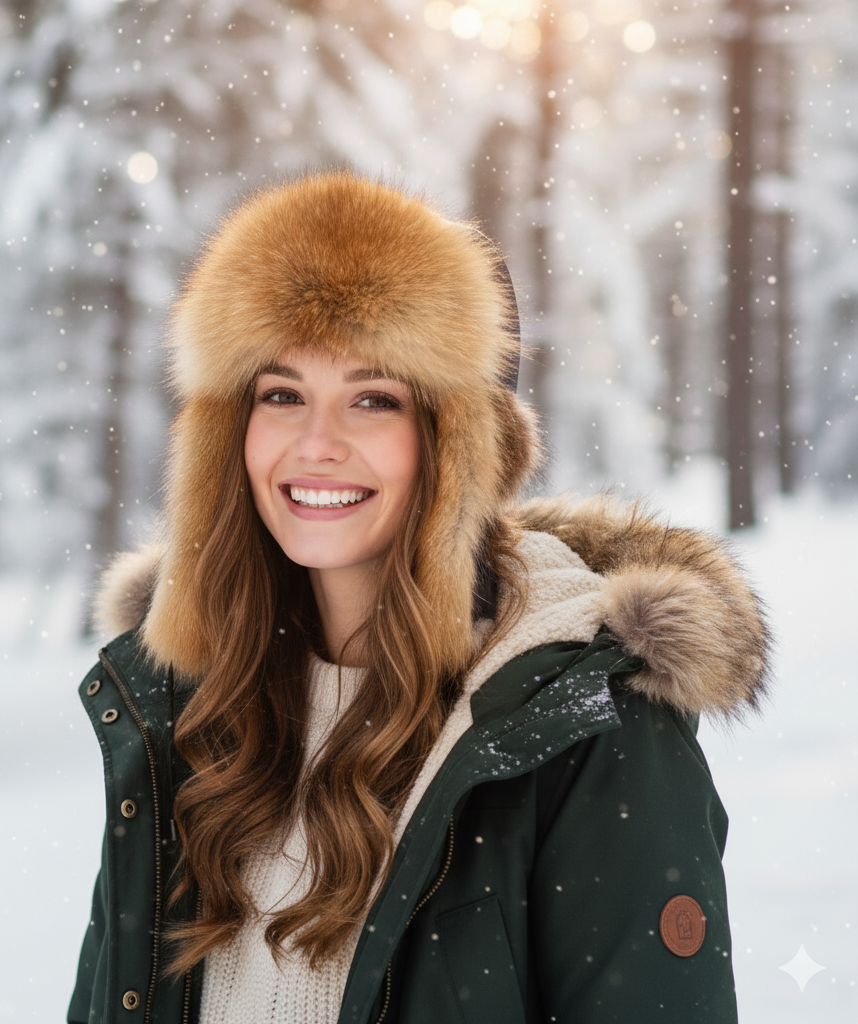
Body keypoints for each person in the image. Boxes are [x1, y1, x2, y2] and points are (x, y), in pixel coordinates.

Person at [67, 173, 769, 1024]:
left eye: (373, 398)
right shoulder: (179, 703)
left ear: (455, 443)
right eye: (281, 394)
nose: (315, 445)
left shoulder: (583, 719)